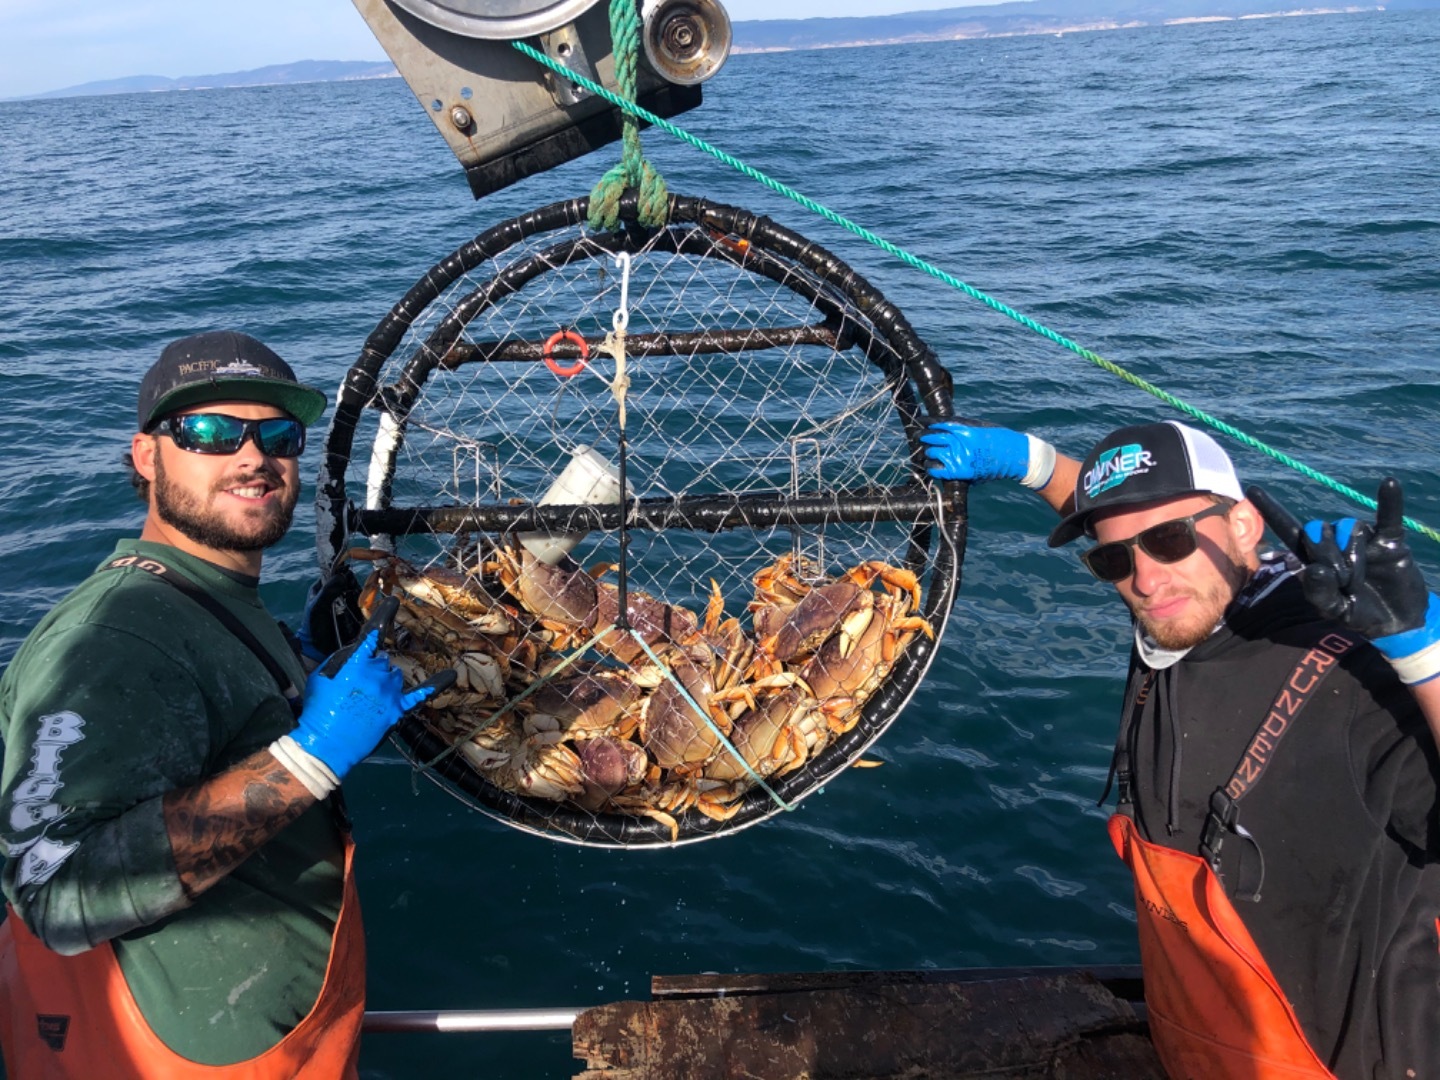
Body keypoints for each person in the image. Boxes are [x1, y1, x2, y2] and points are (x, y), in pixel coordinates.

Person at [922, 418, 1440, 1079]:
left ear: (1245, 526)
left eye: (1170, 541)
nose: (1144, 580)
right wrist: (1033, 462)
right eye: (1113, 560)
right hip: (1195, 1045)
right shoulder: (1185, 606)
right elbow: (1133, 528)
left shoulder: (1352, 675)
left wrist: (1423, 654)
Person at [0, 331, 443, 1078]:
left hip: (288, 1039)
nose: (252, 457)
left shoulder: (206, 597)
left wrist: (290, 663)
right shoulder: (111, 639)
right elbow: (54, 889)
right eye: (207, 432)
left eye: (277, 434)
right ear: (147, 456)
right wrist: (308, 757)